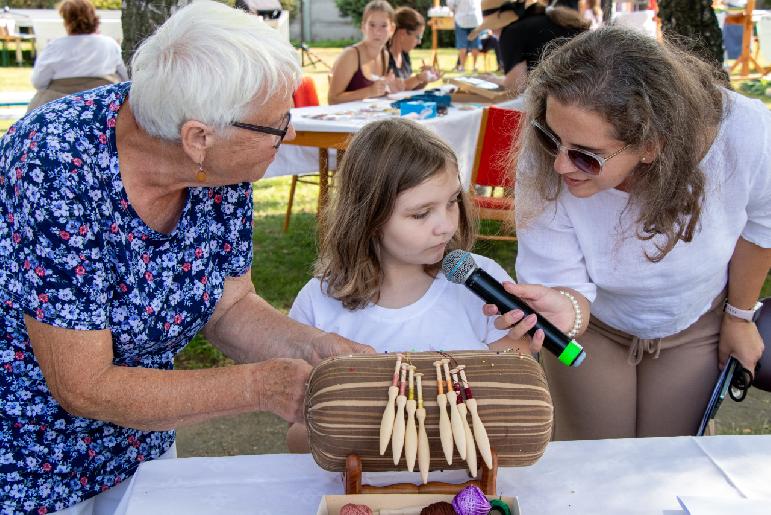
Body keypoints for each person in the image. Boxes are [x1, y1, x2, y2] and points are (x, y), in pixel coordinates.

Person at [0, 2, 373, 514]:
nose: (288, 133)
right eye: (276, 124)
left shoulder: (221, 164)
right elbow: (82, 385)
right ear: (197, 137)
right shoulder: (53, 162)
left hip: (144, 440)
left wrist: (315, 347)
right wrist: (261, 386)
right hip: (33, 459)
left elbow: (229, 305)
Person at [512, 26, 771, 440]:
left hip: (692, 320)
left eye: (585, 156)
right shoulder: (550, 155)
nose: (560, 165)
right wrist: (568, 309)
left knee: (669, 462)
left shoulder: (749, 133)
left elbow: (764, 225)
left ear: (652, 146)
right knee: (595, 462)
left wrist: (739, 317)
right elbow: (560, 276)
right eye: (551, 137)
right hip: (595, 325)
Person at [285, 118, 587, 451]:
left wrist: (515, 347)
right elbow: (297, 436)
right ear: (368, 218)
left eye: (452, 201)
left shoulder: (482, 281)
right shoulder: (319, 304)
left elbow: (511, 410)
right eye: (421, 214)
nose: (445, 226)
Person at [28, 0, 128, 112]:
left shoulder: (54, 47)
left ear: (66, 21)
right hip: (101, 105)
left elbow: (39, 82)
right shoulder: (109, 44)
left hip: (60, 105)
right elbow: (125, 77)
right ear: (93, 17)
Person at [471, 0, 588, 94]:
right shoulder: (539, 20)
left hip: (571, 92)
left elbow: (514, 86)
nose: (491, 30)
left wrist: (493, 80)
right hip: (587, 83)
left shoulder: (512, 32)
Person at [328, 0, 398, 105]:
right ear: (363, 27)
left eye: (383, 26)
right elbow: (332, 99)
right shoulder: (351, 55)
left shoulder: (385, 55)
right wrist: (370, 91)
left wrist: (386, 87)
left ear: (392, 29)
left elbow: (375, 93)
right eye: (372, 25)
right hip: (345, 118)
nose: (377, 32)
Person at [387, 7, 440, 91]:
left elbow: (409, 88)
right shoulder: (383, 56)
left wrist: (425, 79)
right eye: (418, 37)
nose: (419, 42)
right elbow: (397, 87)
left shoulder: (404, 55)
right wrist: (418, 78)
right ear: (402, 34)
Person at [448, 0, 483, 72]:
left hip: (461, 19)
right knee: (475, 45)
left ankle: (462, 66)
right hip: (475, 19)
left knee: (462, 45)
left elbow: (451, 4)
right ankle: (475, 66)